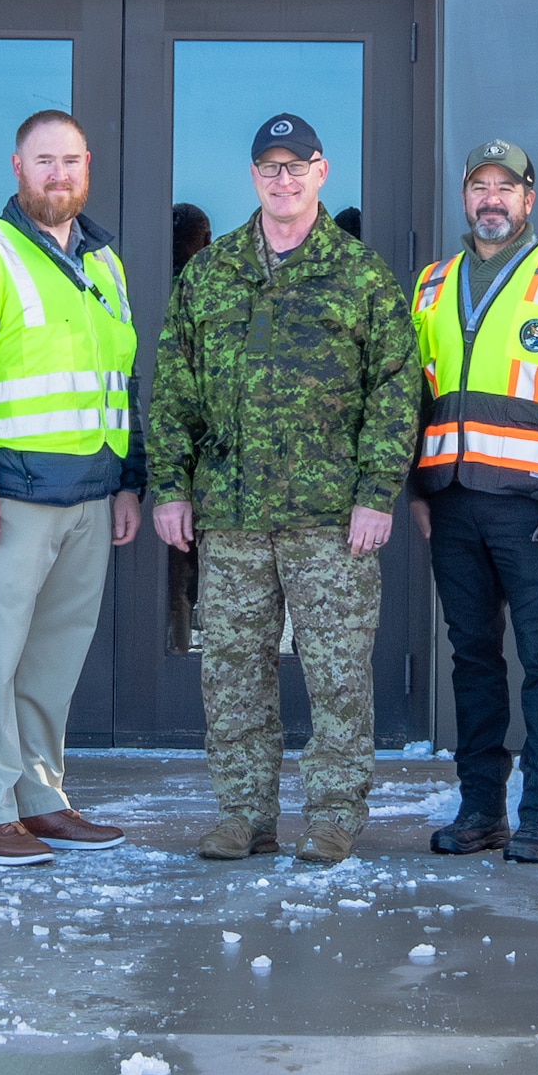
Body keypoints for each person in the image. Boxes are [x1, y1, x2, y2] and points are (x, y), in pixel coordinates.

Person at [151, 113, 419, 867]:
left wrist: (377, 492)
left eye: (296, 166)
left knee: (337, 674)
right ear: (253, 176)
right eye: (270, 166)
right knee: (232, 674)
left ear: (321, 173)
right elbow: (173, 391)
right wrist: (170, 488)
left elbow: (396, 390)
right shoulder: (211, 272)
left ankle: (333, 816)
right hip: (231, 515)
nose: (283, 178)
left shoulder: (360, 276)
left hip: (329, 517)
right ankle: (243, 816)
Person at [0, 110, 144, 867]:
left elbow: (122, 383)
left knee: (53, 661)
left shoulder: (105, 261)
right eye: (44, 160)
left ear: (88, 168)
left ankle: (41, 800)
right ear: (18, 167)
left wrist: (128, 482)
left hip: (89, 495)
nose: (59, 174)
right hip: (10, 497)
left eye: (71, 161)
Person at [409, 140, 538, 864]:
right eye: (479, 186)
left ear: (529, 200)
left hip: (534, 504)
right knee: (471, 659)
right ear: (464, 198)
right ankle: (480, 811)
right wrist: (416, 489)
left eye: (506, 187)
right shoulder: (432, 285)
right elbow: (414, 397)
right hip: (453, 502)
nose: (491, 198)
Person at [166, 203, 212, 654]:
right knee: (187, 578)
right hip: (198, 462)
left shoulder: (139, 281)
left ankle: (176, 653)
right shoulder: (205, 291)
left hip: (175, 459)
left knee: (174, 582)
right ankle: (179, 660)